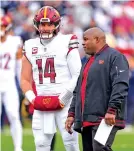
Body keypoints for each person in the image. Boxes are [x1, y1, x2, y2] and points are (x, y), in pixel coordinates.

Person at [20, 6, 81, 151]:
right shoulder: (30, 46)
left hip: (65, 102)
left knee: (70, 143)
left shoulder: (67, 41)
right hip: (41, 103)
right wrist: (33, 99)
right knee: (41, 144)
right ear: (37, 24)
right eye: (42, 24)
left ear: (57, 25)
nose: (46, 28)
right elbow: (24, 79)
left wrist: (64, 98)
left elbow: (77, 74)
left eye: (49, 24)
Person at [65, 27, 129, 151]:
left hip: (105, 117)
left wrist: (112, 109)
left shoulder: (115, 57)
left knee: (100, 148)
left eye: (85, 39)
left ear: (97, 39)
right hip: (87, 118)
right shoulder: (88, 61)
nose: (82, 43)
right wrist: (72, 113)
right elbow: (78, 90)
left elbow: (120, 85)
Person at [0, 15, 23, 151]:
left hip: (9, 85)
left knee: (14, 115)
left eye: (2, 26)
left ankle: (18, 147)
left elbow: (19, 67)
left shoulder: (15, 41)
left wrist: (22, 86)